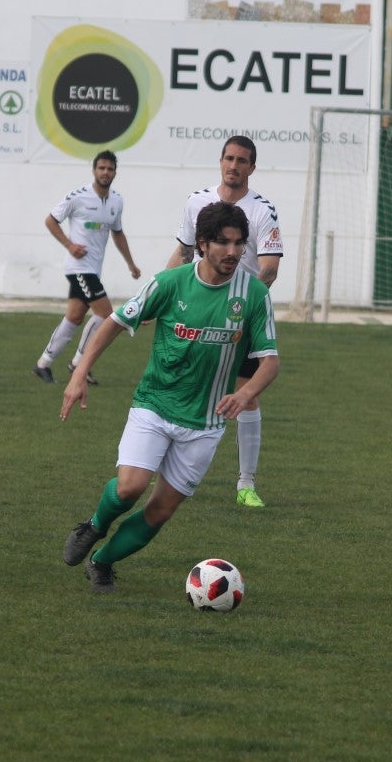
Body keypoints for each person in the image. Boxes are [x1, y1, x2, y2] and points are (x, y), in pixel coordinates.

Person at [60, 202, 279, 594]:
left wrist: (245, 392)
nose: (232, 252)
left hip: (206, 423)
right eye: (223, 243)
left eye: (239, 244)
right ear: (202, 243)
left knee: (161, 509)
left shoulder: (254, 294)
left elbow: (269, 362)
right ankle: (94, 525)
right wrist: (78, 374)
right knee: (129, 488)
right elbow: (113, 322)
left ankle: (102, 562)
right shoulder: (170, 283)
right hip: (155, 405)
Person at [166, 135, 282, 508]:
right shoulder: (196, 201)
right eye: (229, 158)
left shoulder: (263, 210)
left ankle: (246, 484)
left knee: (248, 397)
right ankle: (169, 472)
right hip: (197, 312)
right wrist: (163, 296)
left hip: (241, 317)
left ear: (252, 167)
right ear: (221, 161)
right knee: (184, 388)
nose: (234, 166)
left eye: (242, 160)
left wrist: (244, 303)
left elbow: (269, 267)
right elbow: (184, 252)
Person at [32, 150, 141, 385]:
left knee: (74, 317)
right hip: (79, 267)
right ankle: (78, 365)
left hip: (93, 269)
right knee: (105, 313)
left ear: (115, 172)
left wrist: (131, 264)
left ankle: (42, 364)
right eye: (101, 168)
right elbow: (51, 220)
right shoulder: (78, 196)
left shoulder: (116, 201)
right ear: (94, 171)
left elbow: (118, 233)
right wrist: (69, 244)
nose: (105, 172)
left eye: (110, 169)